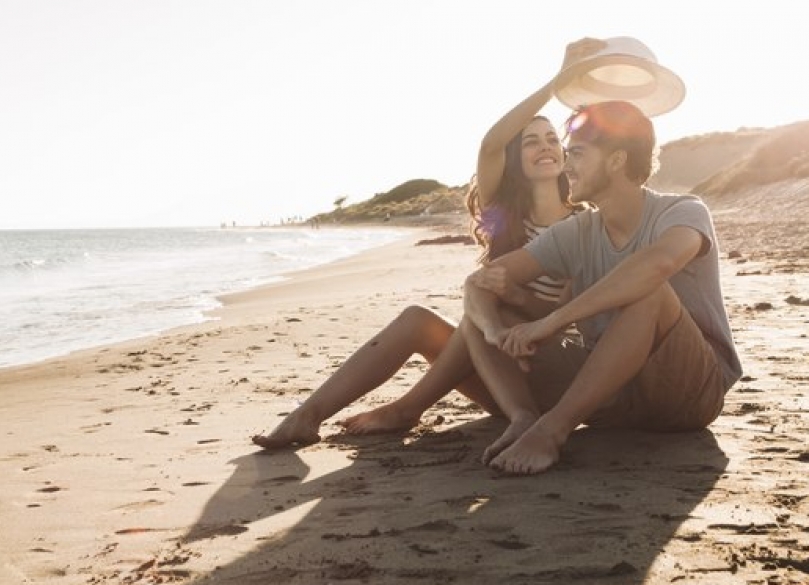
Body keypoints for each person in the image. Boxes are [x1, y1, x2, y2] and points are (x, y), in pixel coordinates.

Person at [250, 42, 605, 450]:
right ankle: (306, 416)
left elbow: (564, 318)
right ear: (514, 159)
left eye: (551, 139)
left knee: (488, 307)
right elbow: (491, 144)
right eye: (530, 142)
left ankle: (408, 407)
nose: (545, 146)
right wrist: (558, 81)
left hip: (546, 375)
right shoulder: (503, 214)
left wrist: (514, 297)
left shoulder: (584, 224)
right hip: (499, 375)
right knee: (418, 320)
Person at [461, 98, 744, 476]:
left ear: (616, 159)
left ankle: (553, 429)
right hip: (609, 392)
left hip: (687, 392)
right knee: (482, 318)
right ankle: (524, 418)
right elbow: (479, 283)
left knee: (652, 292)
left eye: (576, 153)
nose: (567, 164)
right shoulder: (577, 230)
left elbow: (657, 265)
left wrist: (554, 321)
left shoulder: (683, 211)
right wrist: (496, 331)